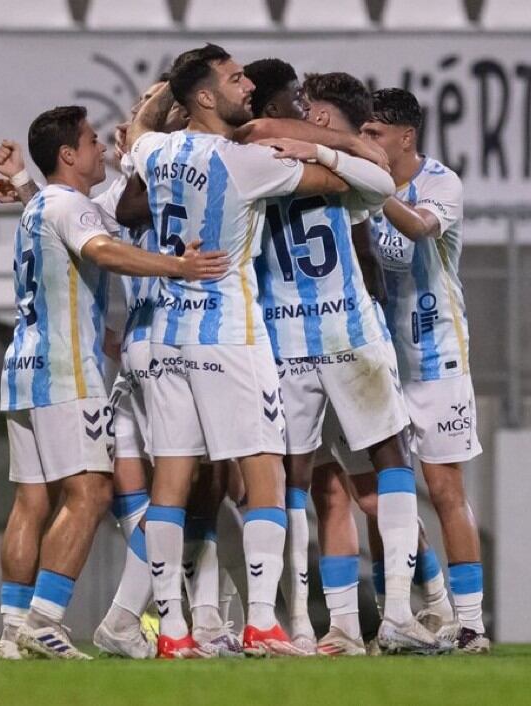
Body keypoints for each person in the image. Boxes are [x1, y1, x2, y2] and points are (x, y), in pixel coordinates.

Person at [123, 43, 357, 658]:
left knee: (171, 481)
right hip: (230, 334)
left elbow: (139, 132)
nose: (247, 84)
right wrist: (325, 144)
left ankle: (171, 631)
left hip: (170, 334)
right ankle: (262, 622)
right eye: (233, 79)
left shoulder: (158, 151)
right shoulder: (242, 161)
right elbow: (336, 182)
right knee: (265, 475)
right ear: (204, 97)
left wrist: (154, 103)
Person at [0, 105, 228, 660]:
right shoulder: (72, 205)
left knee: (31, 502)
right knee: (90, 492)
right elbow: (99, 248)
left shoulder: (44, 207)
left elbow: (74, 228)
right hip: (66, 369)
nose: (100, 149)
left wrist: (22, 183)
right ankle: (46, 621)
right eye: (91, 141)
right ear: (69, 155)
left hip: (21, 365)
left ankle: (12, 629)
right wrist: (177, 267)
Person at [237, 62, 445, 656]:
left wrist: (326, 149)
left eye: (308, 107)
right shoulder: (316, 160)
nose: (301, 114)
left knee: (305, 481)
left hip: (295, 340)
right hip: (340, 335)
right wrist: (340, 150)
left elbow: (374, 188)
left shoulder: (260, 159)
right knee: (358, 472)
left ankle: (333, 622)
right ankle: (370, 619)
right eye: (295, 104)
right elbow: (379, 186)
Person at [362, 88, 490, 654]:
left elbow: (417, 228)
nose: (365, 144)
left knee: (444, 491)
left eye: (374, 135)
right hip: (381, 364)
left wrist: (370, 184)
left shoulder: (442, 183)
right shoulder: (365, 188)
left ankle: (471, 624)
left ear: (405, 136)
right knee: (381, 497)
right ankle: (410, 607)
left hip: (437, 359)